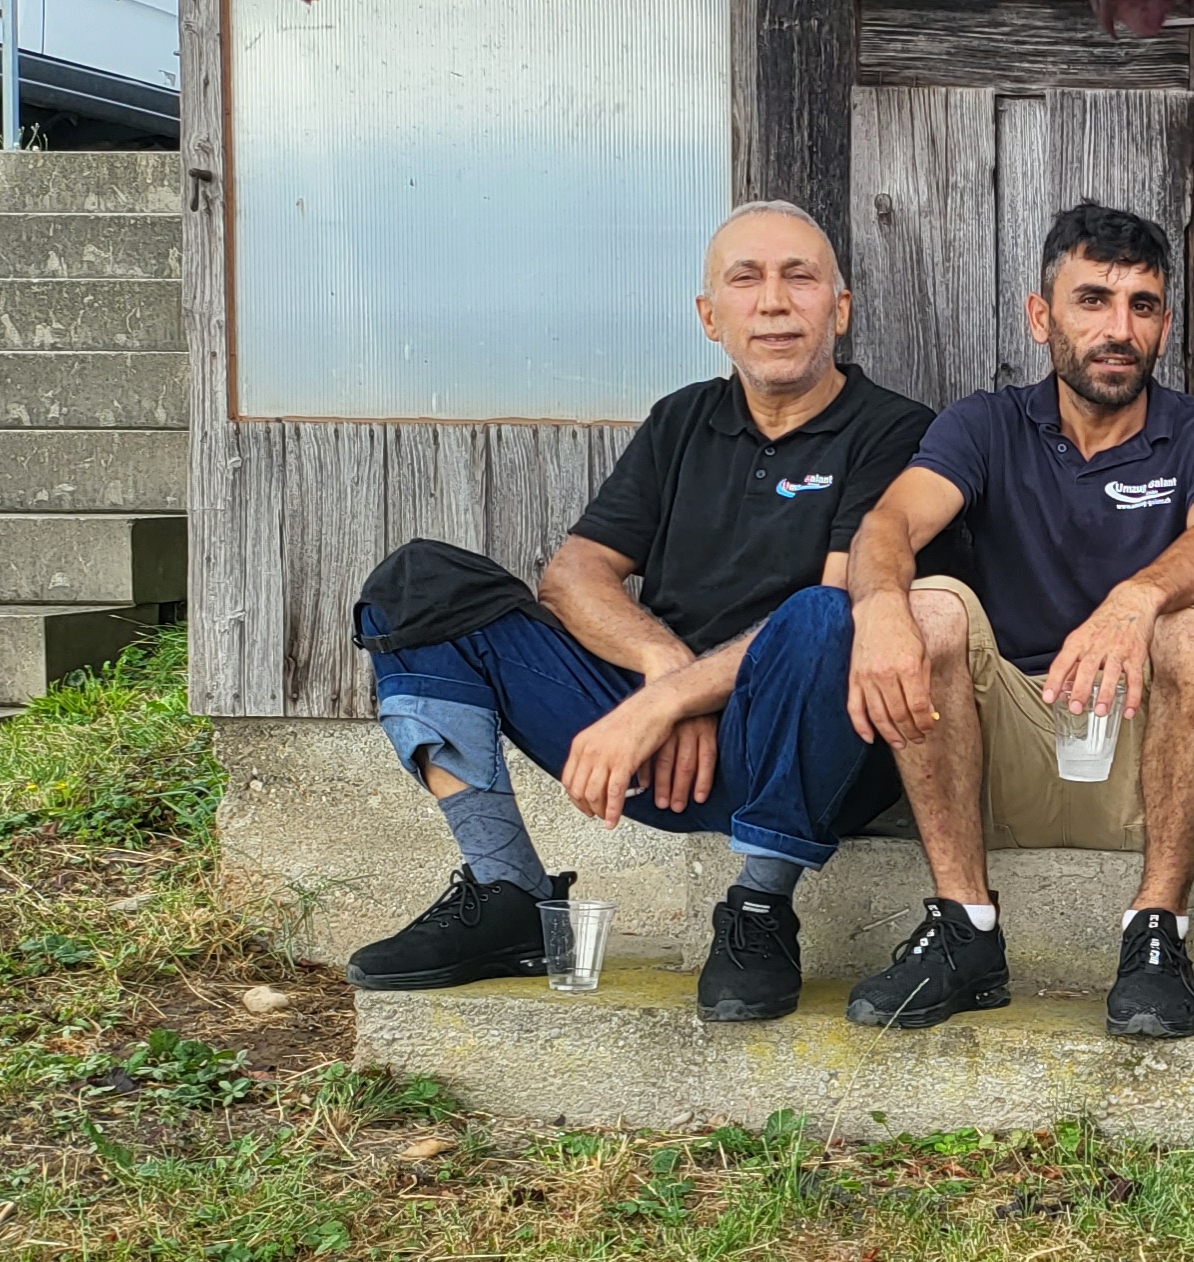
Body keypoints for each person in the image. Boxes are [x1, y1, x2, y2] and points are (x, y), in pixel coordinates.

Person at [346, 202, 933, 1021]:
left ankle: (760, 911)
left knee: (825, 618)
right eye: (746, 279)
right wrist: (664, 672)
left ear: (838, 308)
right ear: (709, 317)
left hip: (805, 751)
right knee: (416, 586)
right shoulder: (681, 420)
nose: (773, 301)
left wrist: (669, 699)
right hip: (658, 746)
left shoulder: (894, 430)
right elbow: (575, 573)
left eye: (800, 277)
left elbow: (844, 601)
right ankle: (505, 891)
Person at [834, 200, 1194, 1036]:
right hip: (1011, 749)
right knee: (927, 606)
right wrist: (880, 606)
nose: (1119, 329)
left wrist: (1135, 601)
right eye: (1092, 300)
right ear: (1042, 316)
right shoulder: (986, 425)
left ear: (1165, 327)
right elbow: (888, 525)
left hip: (1148, 752)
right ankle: (964, 925)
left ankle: (1157, 930)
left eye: (1142, 307)